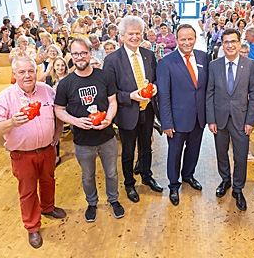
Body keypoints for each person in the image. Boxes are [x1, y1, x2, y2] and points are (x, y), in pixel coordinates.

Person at [0, 56, 66, 248]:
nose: (27, 75)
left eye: (31, 71)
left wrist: (57, 133)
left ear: (36, 71)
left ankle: (48, 208)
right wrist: (12, 122)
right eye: (22, 72)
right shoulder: (5, 97)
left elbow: (59, 112)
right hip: (22, 154)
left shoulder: (47, 91)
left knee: (48, 181)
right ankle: (32, 227)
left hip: (47, 149)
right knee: (28, 191)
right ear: (14, 74)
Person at [54, 36, 125, 222]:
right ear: (71, 55)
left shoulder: (104, 76)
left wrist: (109, 119)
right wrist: (75, 122)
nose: (80, 57)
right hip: (83, 141)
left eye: (83, 53)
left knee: (111, 173)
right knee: (87, 176)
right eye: (75, 54)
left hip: (107, 137)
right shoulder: (65, 84)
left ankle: (113, 200)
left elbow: (112, 101)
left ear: (90, 53)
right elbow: (58, 110)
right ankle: (92, 203)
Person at [103, 16, 163, 204]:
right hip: (127, 113)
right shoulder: (112, 60)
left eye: (138, 33)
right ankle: (129, 183)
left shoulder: (149, 55)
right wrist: (130, 96)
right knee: (128, 151)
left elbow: (153, 80)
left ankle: (146, 175)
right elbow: (109, 92)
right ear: (121, 36)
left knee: (147, 147)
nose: (135, 37)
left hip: (148, 111)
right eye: (131, 34)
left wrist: (154, 88)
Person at [206, 29, 254, 211]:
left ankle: (238, 188)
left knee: (240, 156)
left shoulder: (250, 65)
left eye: (233, 41)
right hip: (219, 119)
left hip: (241, 119)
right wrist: (210, 119)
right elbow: (209, 93)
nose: (230, 45)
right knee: (221, 153)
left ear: (239, 43)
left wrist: (250, 120)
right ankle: (225, 180)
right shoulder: (214, 65)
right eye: (226, 42)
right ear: (222, 43)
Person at [156, 24, 209, 206]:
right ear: (176, 40)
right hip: (176, 120)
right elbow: (163, 95)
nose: (187, 42)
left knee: (194, 150)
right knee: (175, 153)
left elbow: (205, 89)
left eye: (190, 38)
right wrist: (166, 122)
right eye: (183, 39)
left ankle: (188, 175)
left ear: (195, 39)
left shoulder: (204, 57)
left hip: (198, 117)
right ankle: (173, 185)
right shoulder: (166, 62)